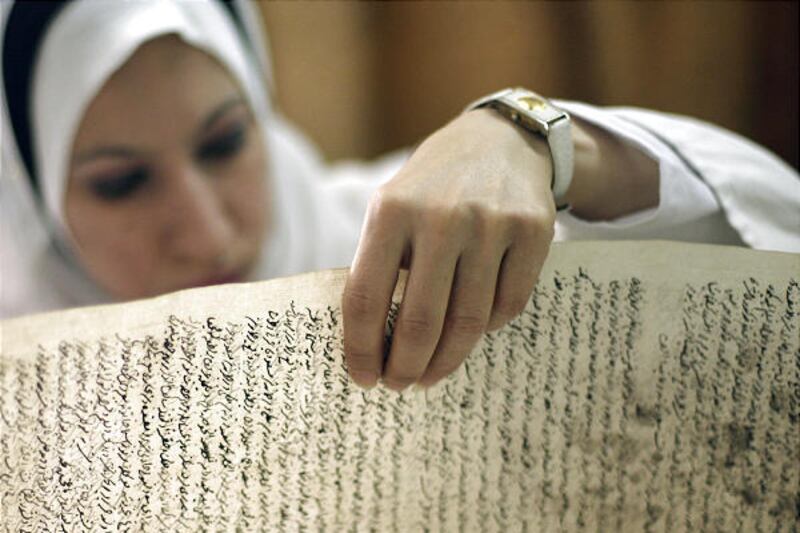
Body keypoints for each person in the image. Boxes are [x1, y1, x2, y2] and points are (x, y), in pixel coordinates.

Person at [2, 0, 798, 392]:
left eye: (224, 143)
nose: (206, 229)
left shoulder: (406, 244)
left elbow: (773, 227)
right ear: (31, 197)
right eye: (121, 183)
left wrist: (531, 138)